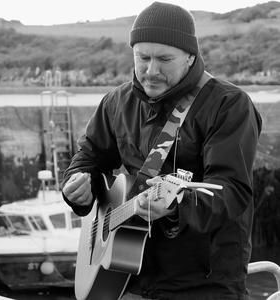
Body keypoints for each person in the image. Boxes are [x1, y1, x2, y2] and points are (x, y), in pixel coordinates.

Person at [62, 2, 262, 299]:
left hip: (202, 284)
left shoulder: (229, 105)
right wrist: (80, 183)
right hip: (128, 281)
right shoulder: (116, 102)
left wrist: (175, 207)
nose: (151, 70)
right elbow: (89, 157)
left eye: (165, 59)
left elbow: (231, 191)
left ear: (190, 56)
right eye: (142, 57)